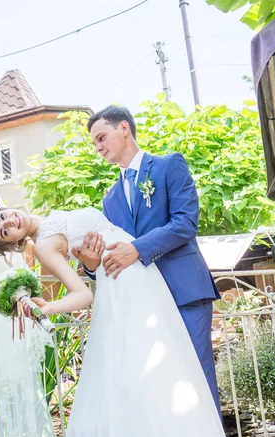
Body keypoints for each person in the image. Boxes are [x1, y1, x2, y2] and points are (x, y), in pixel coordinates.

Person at [0, 205, 244, 437]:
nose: (10, 223)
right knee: (139, 385)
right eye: (5, 232)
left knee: (167, 381)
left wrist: (90, 262)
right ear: (13, 244)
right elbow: (83, 295)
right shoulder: (42, 246)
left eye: (3, 218)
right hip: (123, 291)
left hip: (145, 281)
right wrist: (46, 307)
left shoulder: (53, 215)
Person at [73, 106, 222, 417]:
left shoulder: (169, 166)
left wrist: (138, 249)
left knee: (197, 376)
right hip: (144, 303)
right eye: (94, 143)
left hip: (185, 292)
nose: (98, 147)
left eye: (102, 137)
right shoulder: (110, 198)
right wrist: (90, 265)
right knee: (163, 385)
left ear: (124, 128)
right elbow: (112, 252)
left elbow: (184, 223)